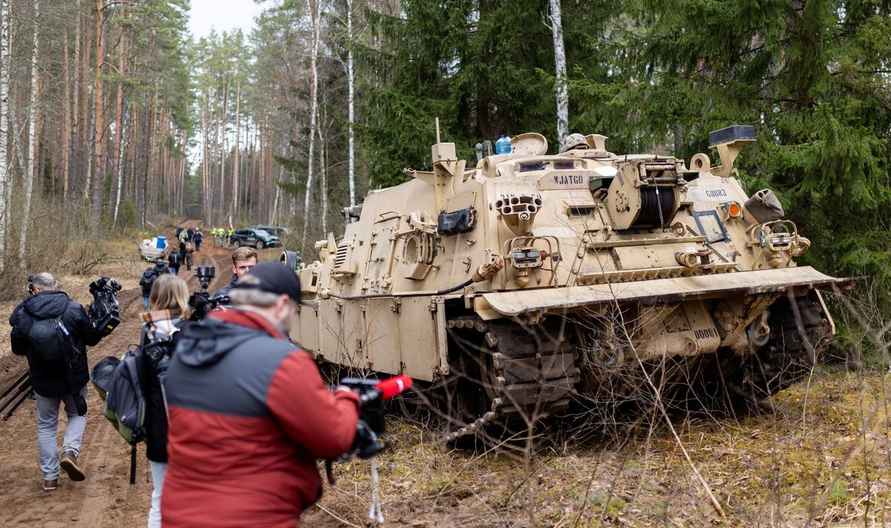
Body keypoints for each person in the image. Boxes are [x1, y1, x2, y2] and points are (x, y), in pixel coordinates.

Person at [161, 263, 359, 527]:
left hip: (180, 516)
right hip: (254, 517)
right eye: (294, 311)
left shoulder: (187, 353)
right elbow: (333, 438)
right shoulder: (282, 362)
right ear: (282, 304)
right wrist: (347, 399)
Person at [9, 273, 107, 491]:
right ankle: (70, 452)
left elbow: (17, 349)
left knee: (46, 425)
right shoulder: (73, 308)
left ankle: (50, 478)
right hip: (74, 377)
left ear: (33, 289)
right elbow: (92, 338)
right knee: (77, 414)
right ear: (55, 286)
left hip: (43, 379)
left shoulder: (24, 314)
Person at [139, 275, 190, 528]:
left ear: (155, 297)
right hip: (192, 428)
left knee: (160, 498)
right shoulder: (193, 332)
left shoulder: (147, 331)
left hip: (158, 426)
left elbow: (143, 381)